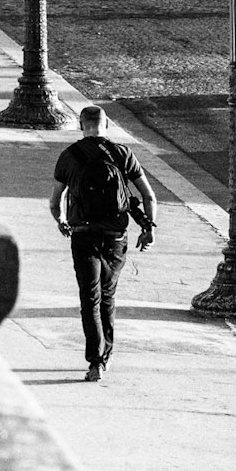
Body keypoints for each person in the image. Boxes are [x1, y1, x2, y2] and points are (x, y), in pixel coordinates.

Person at [50, 106, 157, 382]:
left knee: (89, 297)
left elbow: (55, 201)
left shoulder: (69, 156)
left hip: (83, 234)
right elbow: (149, 196)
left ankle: (95, 360)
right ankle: (105, 356)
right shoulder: (122, 154)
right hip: (116, 237)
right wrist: (148, 229)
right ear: (106, 124)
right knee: (107, 296)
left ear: (80, 125)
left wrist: (61, 220)